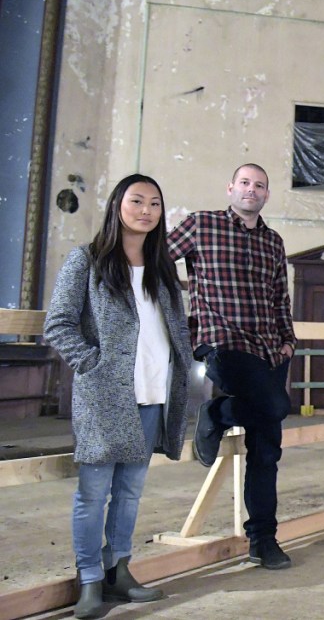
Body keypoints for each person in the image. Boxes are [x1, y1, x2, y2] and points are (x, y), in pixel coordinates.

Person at [44, 174, 191, 619]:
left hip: (153, 397)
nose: (145, 210)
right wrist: (94, 366)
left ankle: (119, 571)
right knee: (93, 494)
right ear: (117, 205)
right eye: (136, 200)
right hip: (105, 398)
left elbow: (175, 329)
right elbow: (58, 324)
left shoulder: (163, 269)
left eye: (155, 204)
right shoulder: (86, 261)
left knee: (130, 492)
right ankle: (89, 579)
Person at [167, 163, 296, 570]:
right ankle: (217, 410)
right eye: (245, 183)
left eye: (259, 185)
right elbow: (155, 259)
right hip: (222, 342)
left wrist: (288, 340)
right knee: (275, 407)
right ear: (230, 188)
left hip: (270, 349)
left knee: (266, 447)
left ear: (266, 195)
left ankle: (263, 539)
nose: (251, 190)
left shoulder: (273, 242)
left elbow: (280, 297)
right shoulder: (200, 225)